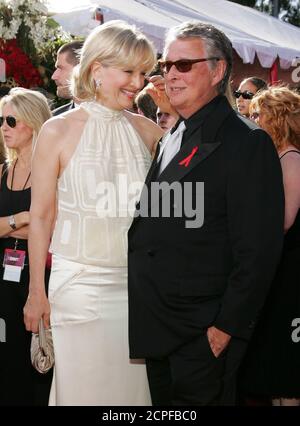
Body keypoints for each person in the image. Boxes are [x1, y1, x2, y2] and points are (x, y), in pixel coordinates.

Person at [128, 22, 284, 406]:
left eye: (184, 65)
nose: (170, 75)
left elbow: (259, 250)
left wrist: (224, 329)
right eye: (166, 65)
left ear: (218, 70)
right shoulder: (171, 135)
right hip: (159, 328)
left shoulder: (247, 141)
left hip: (203, 334)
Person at [23, 20, 163, 406]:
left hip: (137, 292)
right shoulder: (57, 130)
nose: (139, 82)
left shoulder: (149, 131)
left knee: (132, 398)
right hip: (79, 287)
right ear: (97, 69)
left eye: (143, 72)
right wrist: (37, 291)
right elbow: (41, 217)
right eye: (129, 71)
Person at [240, 86, 300, 406]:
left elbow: (284, 221)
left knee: (284, 369)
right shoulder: (279, 156)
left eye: (257, 114)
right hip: (278, 270)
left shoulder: (291, 158)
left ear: (276, 118)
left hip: (289, 273)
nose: (253, 121)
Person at [0, 88, 52, 406]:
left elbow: (49, 223)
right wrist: (23, 217)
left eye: (10, 120)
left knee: (41, 356)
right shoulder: (4, 170)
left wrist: (8, 225)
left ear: (31, 123)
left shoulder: (51, 172)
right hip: (5, 272)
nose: (3, 127)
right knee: (8, 356)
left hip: (41, 274)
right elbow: (35, 221)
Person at [51, 40, 83, 116]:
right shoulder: (55, 119)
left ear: (82, 70)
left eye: (61, 68)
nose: (54, 76)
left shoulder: (114, 116)